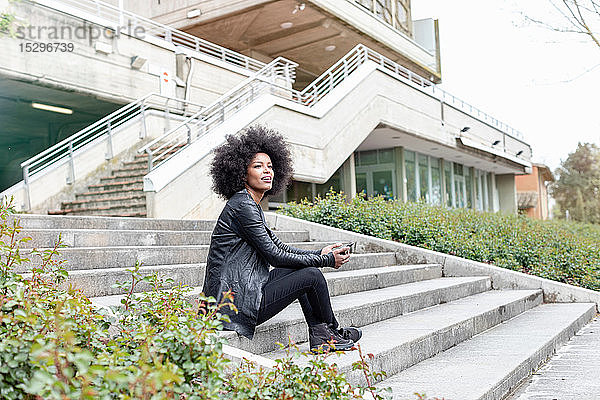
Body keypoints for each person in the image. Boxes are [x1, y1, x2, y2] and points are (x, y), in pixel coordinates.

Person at [202, 125, 362, 352]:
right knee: (311, 275)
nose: (267, 171)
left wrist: (321, 253)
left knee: (306, 271)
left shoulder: (250, 204)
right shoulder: (242, 206)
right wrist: (325, 261)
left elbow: (278, 246)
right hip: (232, 304)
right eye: (258, 166)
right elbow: (275, 256)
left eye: (270, 166)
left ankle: (327, 333)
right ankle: (329, 333)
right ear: (241, 173)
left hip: (243, 292)